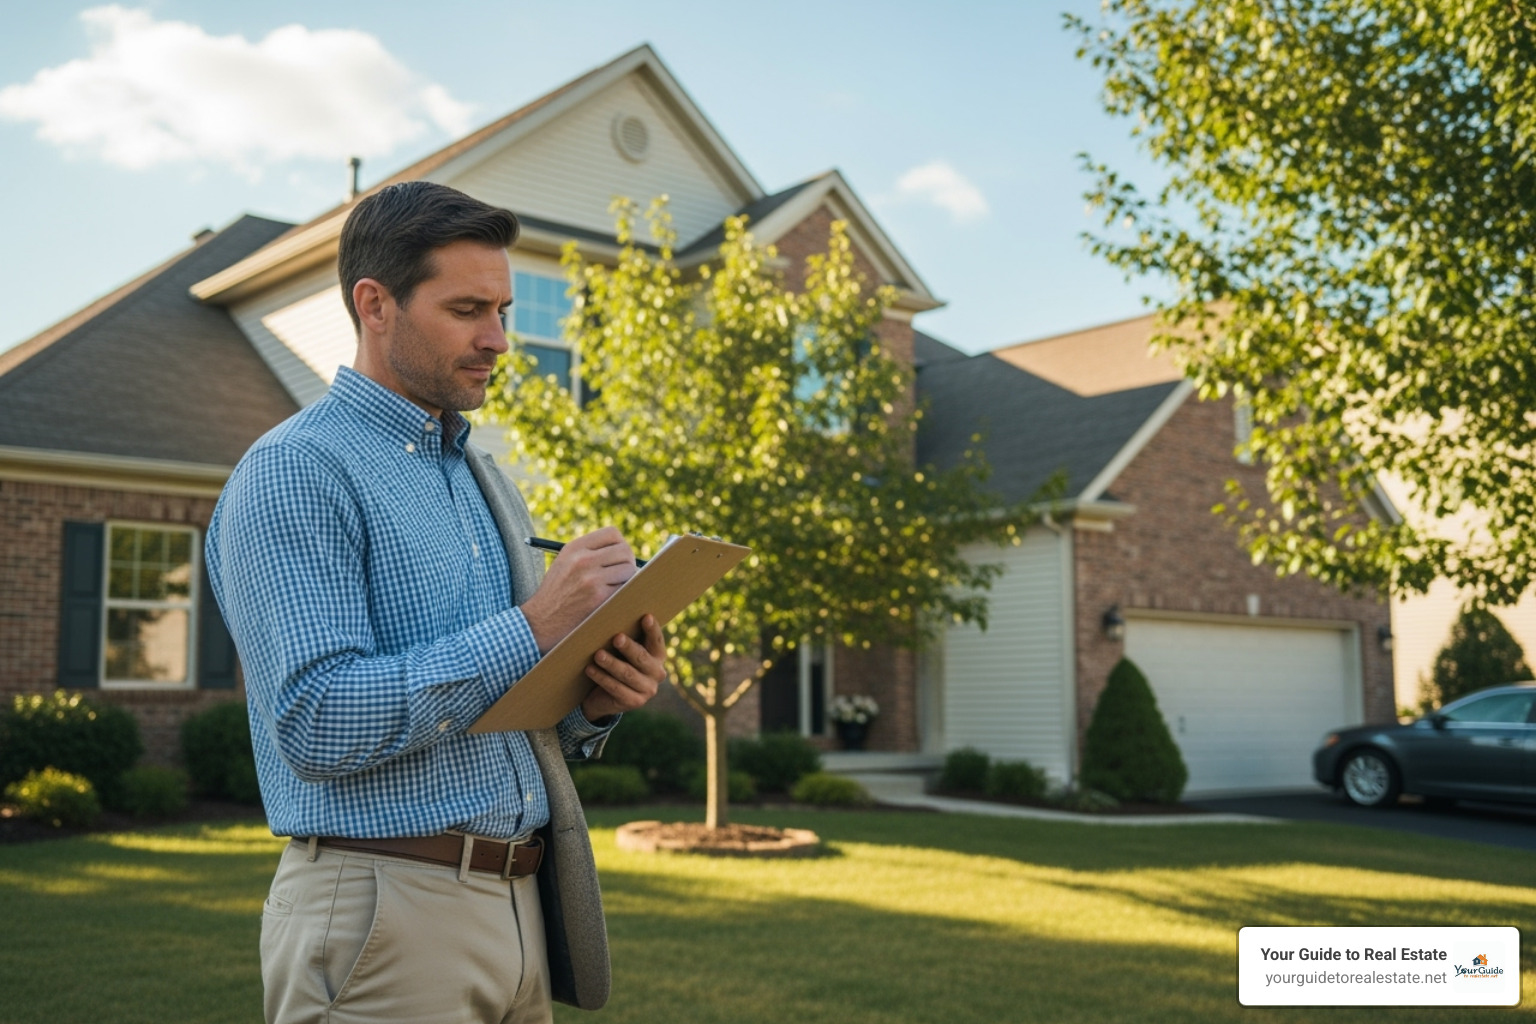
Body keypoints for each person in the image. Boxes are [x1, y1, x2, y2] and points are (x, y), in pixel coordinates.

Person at [205, 181, 666, 1024]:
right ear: (374, 305)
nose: (499, 339)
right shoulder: (296, 472)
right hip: (384, 912)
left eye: (501, 308)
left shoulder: (485, 481)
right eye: (466, 310)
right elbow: (314, 720)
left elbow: (505, 713)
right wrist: (534, 626)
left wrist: (593, 698)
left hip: (522, 905)